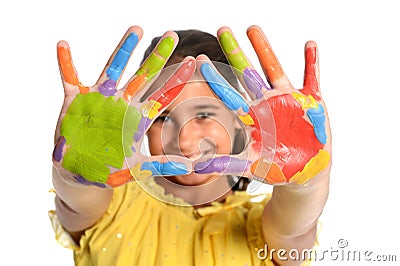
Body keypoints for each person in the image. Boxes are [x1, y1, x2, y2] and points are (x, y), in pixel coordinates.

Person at [50, 25, 331, 265]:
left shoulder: (263, 231)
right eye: (162, 118)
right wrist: (75, 179)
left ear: (239, 118)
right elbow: (76, 207)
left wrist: (309, 183)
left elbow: (294, 230)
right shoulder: (112, 209)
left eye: (204, 115)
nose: (184, 141)